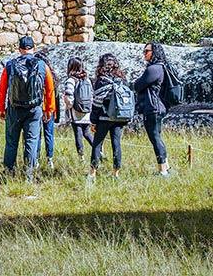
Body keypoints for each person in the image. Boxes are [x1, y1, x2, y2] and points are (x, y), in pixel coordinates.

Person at [0, 35, 56, 179]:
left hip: (14, 108)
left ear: (19, 49)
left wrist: (1, 109)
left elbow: (2, 89)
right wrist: (49, 109)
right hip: (34, 109)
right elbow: (50, 89)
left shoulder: (10, 65)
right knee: (31, 140)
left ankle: (8, 172)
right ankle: (28, 174)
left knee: (11, 141)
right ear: (33, 48)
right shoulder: (42, 65)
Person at [88, 53, 127, 181]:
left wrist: (93, 120)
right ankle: (116, 173)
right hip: (119, 117)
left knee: (97, 143)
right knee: (116, 144)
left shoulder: (101, 80)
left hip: (104, 118)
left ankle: (93, 173)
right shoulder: (121, 78)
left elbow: (97, 102)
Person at [134, 42, 170, 176]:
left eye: (147, 51)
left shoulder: (153, 69)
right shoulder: (162, 68)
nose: (144, 53)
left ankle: (163, 171)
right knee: (157, 137)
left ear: (154, 52)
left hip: (152, 108)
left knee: (155, 138)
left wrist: (137, 83)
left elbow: (137, 85)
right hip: (160, 107)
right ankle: (166, 166)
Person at [60, 57, 93, 160]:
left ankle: (81, 157)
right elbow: (91, 95)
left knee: (78, 134)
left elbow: (69, 98)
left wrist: (69, 106)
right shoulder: (86, 79)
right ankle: (98, 149)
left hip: (76, 111)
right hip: (87, 111)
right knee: (87, 132)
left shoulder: (70, 80)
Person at [37, 54, 59, 169]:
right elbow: (55, 95)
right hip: (50, 109)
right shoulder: (53, 76)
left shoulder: (37, 74)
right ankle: (49, 159)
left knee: (37, 135)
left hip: (40, 108)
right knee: (49, 135)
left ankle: (36, 159)